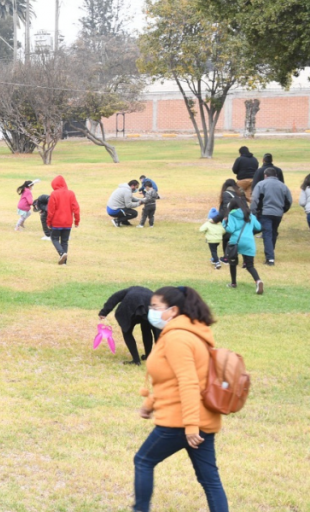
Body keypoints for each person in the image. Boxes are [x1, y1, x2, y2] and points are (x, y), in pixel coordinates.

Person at [134, 286, 228, 512]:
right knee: (210, 480)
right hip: (200, 420)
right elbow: (170, 380)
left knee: (144, 461)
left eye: (156, 307)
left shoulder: (177, 338)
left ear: (173, 310)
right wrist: (149, 404)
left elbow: (188, 382)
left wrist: (191, 426)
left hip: (180, 422)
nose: (151, 311)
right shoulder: (192, 333)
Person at [98, 286, 161, 365]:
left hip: (129, 308)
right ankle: (149, 356)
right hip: (149, 308)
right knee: (147, 329)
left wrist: (103, 312)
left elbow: (115, 297)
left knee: (127, 332)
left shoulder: (130, 290)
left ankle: (136, 360)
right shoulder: (152, 294)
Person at [249, 167, 291, 266]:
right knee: (273, 233)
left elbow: (255, 199)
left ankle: (270, 259)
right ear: (276, 175)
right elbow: (289, 200)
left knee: (267, 234)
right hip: (278, 213)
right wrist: (283, 210)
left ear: (265, 175)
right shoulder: (283, 186)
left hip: (265, 212)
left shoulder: (261, 184)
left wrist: (253, 211)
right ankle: (270, 252)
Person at [223, 197, 263, 294]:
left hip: (236, 241)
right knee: (249, 265)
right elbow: (259, 227)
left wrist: (224, 222)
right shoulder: (250, 215)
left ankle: (233, 283)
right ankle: (258, 281)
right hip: (249, 242)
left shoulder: (232, 215)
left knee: (233, 262)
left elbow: (230, 229)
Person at [47, 176, 81, 265]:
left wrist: (48, 222)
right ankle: (64, 262)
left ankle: (62, 253)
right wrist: (77, 221)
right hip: (68, 222)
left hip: (57, 222)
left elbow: (51, 210)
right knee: (64, 241)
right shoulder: (71, 193)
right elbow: (76, 208)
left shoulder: (54, 194)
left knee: (54, 238)